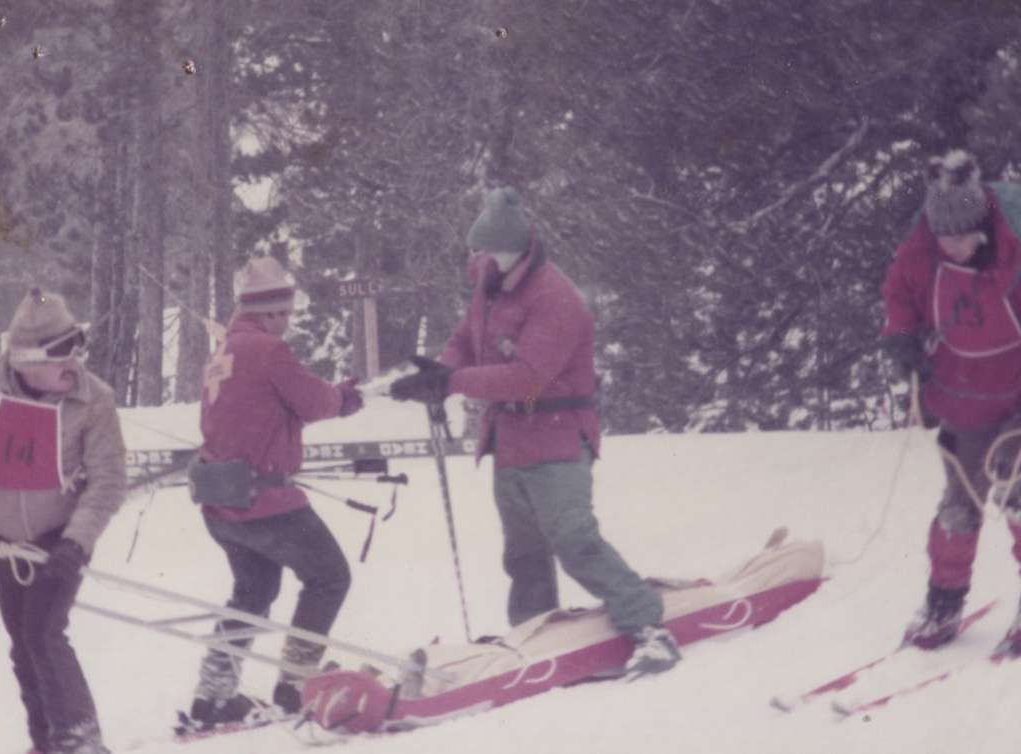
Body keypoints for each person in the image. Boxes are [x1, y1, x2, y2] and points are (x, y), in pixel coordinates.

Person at [390, 186, 680, 676]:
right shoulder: (489, 282)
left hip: (559, 437)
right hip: (511, 440)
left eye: (487, 250)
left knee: (575, 541)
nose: (479, 258)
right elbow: (466, 339)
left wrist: (452, 382)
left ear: (514, 250)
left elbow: (527, 375)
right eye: (477, 250)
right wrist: (438, 371)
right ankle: (535, 634)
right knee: (523, 552)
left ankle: (650, 628)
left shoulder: (555, 298)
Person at [880, 150, 1021, 653]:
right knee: (959, 500)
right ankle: (944, 600)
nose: (950, 247)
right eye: (942, 238)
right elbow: (899, 297)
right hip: (960, 390)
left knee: (1016, 486)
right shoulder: (924, 249)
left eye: (960, 237)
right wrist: (900, 339)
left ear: (980, 226)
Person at [0, 288, 127, 754]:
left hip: (62, 537)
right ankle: (46, 741)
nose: (74, 361)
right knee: (22, 644)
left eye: (77, 346)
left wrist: (76, 542)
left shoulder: (93, 400)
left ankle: (82, 742)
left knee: (44, 634)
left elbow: (108, 480)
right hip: (7, 541)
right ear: (27, 359)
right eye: (62, 353)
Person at [186, 256, 364, 725]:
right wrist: (344, 398)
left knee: (253, 591)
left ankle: (213, 694)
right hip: (266, 501)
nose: (285, 321)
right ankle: (295, 683)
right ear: (259, 312)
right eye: (278, 312)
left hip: (222, 504)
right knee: (329, 577)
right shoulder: (268, 351)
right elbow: (314, 399)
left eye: (288, 311)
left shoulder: (224, 351)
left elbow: (267, 406)